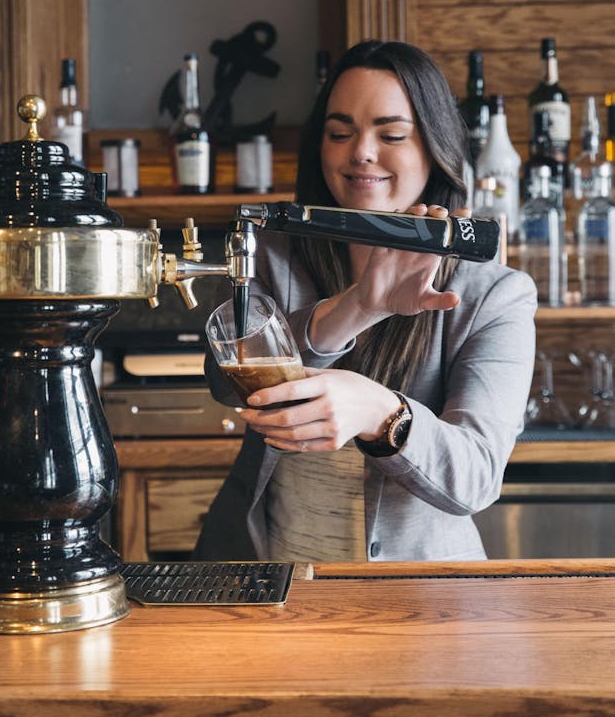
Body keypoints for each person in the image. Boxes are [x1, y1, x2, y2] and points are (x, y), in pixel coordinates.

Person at [195, 39, 537, 562]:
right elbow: (226, 381)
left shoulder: (493, 294)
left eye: (392, 133)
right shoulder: (270, 253)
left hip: (422, 598)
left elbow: (476, 477)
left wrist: (382, 413)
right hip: (273, 575)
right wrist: (358, 306)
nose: (361, 152)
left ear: (434, 149)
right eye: (340, 133)